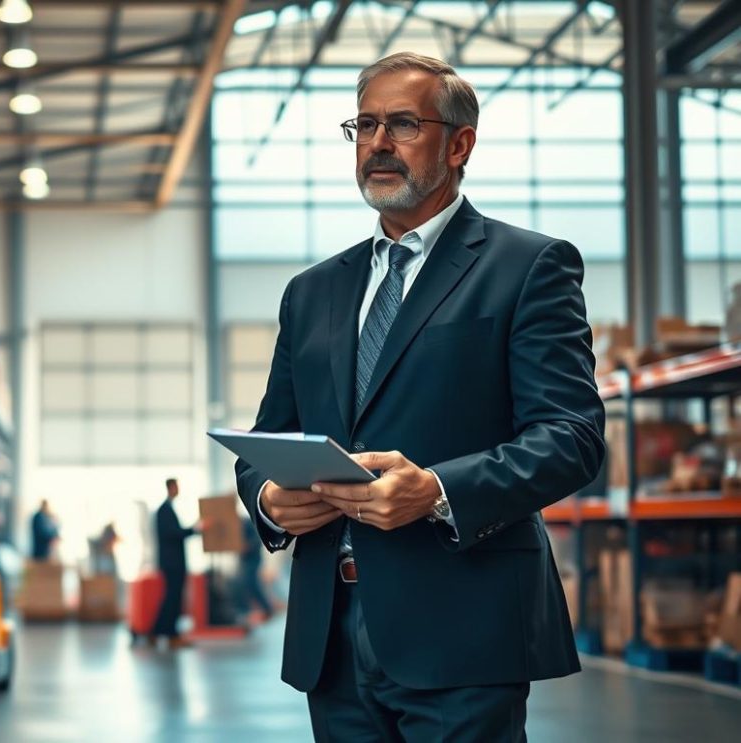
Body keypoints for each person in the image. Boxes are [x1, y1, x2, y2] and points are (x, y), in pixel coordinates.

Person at [235, 52, 605, 742]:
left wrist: (436, 488)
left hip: (464, 631)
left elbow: (571, 436)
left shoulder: (527, 266)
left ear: (460, 144)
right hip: (332, 639)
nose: (378, 143)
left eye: (403, 124)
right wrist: (268, 499)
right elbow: (271, 437)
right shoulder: (312, 292)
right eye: (365, 125)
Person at [152, 478, 205, 649]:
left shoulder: (168, 509)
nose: (178, 490)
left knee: (173, 599)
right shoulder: (163, 511)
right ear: (170, 488)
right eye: (176, 487)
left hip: (174, 563)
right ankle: (169, 634)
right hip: (171, 563)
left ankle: (161, 632)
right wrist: (195, 529)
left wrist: (193, 528)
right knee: (172, 599)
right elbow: (173, 534)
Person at [238, 513, 273, 622]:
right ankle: (263, 609)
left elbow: (257, 539)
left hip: (253, 559)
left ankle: (267, 608)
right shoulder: (235, 525)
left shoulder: (247, 522)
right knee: (246, 584)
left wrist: (247, 546)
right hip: (244, 559)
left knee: (251, 583)